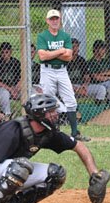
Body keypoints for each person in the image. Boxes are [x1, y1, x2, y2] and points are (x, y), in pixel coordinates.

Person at [0, 93, 106, 203]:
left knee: (56, 174)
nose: (56, 114)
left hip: (11, 170)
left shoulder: (48, 132)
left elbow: (78, 146)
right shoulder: (13, 129)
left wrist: (94, 173)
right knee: (22, 166)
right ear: (39, 115)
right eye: (51, 112)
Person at [37, 9, 89, 141]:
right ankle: (52, 132)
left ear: (60, 20)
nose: (54, 21)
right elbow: (42, 56)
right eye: (52, 19)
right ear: (47, 21)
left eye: (56, 19)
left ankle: (75, 133)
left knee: (71, 100)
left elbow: (68, 57)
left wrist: (52, 53)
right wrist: (60, 51)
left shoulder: (65, 36)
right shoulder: (42, 36)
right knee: (48, 101)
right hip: (47, 70)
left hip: (62, 70)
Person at [67, 38, 110, 105]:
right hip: (69, 87)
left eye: (77, 46)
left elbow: (87, 77)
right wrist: (75, 89)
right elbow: (62, 81)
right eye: (73, 47)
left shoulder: (81, 60)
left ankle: (97, 110)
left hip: (82, 86)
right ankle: (66, 113)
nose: (76, 49)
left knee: (101, 89)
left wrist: (85, 85)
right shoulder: (64, 61)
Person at [0, 41, 21, 119]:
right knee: (4, 93)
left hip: (14, 88)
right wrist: (10, 90)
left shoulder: (15, 62)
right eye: (2, 52)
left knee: (29, 91)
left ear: (11, 51)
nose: (4, 54)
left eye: (7, 52)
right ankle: (7, 116)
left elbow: (21, 78)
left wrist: (16, 89)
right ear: (0, 52)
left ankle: (28, 115)